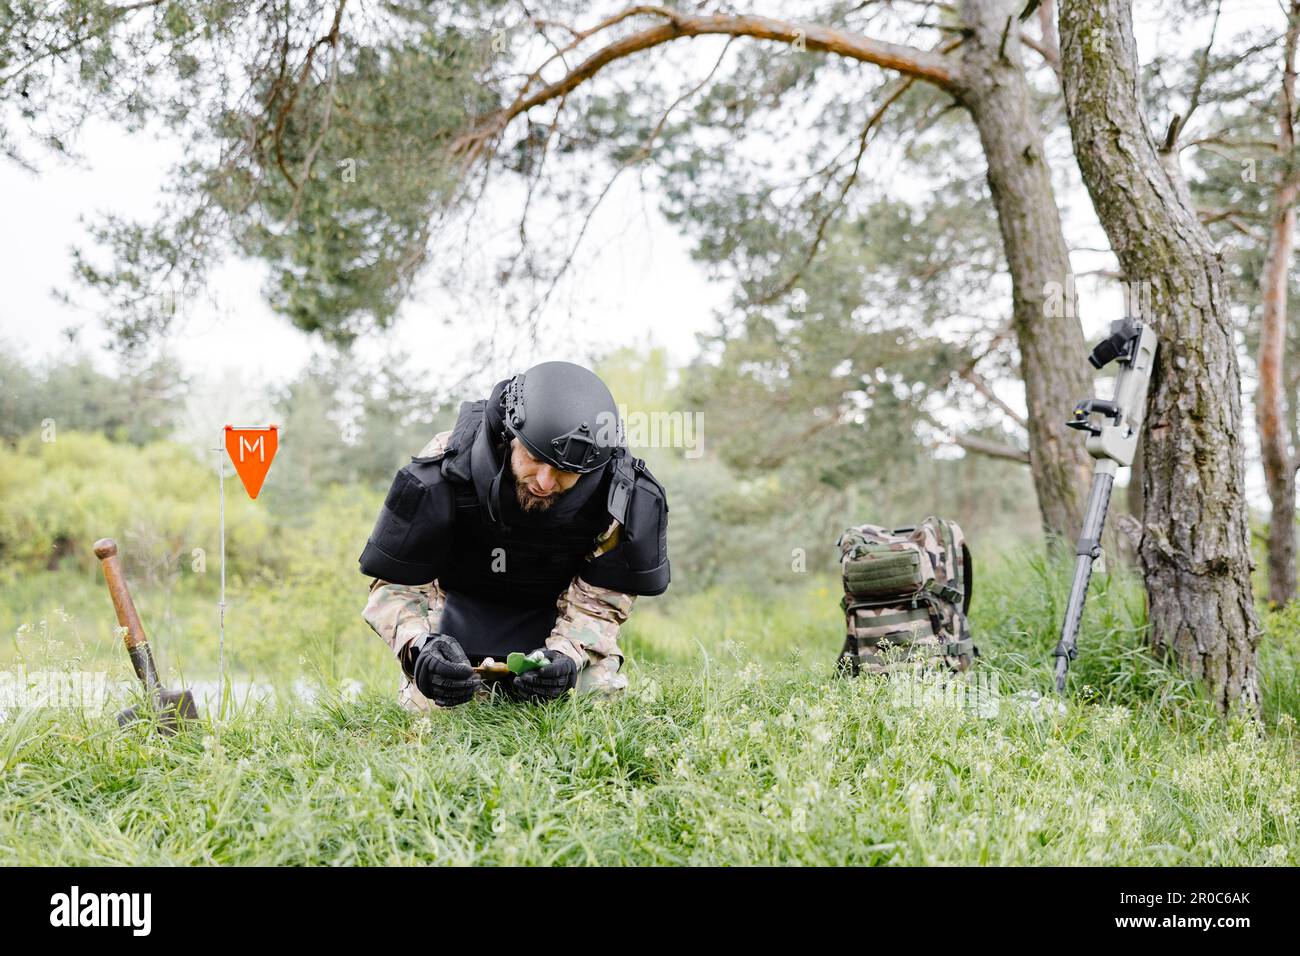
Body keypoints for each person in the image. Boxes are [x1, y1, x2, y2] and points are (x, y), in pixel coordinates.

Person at [358, 361, 670, 709]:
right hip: (454, 622)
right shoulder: (448, 466)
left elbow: (601, 604)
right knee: (433, 711)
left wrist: (566, 657)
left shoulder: (616, 497)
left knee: (595, 709)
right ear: (510, 436)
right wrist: (421, 649)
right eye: (535, 458)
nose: (545, 482)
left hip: (558, 626)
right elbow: (394, 586)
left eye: (567, 471)